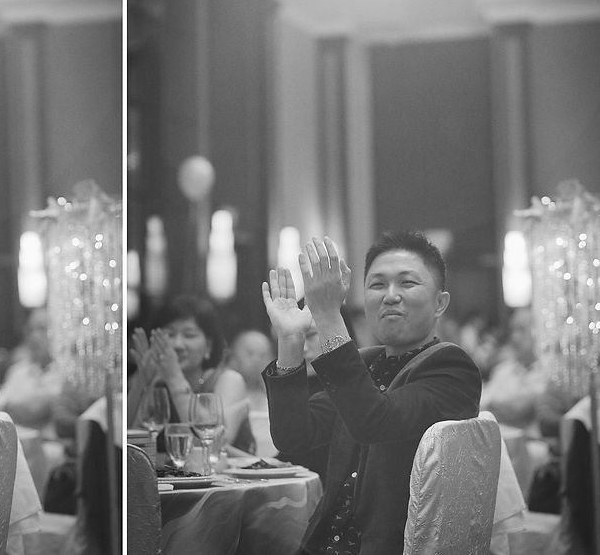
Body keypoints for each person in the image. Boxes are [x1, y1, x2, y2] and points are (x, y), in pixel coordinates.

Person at [262, 232, 481, 555]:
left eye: (407, 283)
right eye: (377, 285)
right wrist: (291, 341)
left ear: (440, 303)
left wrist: (328, 317)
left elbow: (373, 420)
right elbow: (294, 437)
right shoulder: (365, 364)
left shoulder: (452, 369)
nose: (390, 296)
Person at [128, 294, 253, 454]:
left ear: (209, 346)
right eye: (170, 334)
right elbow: (131, 443)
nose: (178, 344)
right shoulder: (158, 384)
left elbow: (214, 445)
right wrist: (142, 382)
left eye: (189, 335)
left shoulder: (229, 380)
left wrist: (175, 378)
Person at [0, 306, 63, 437]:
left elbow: (37, 408)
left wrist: (11, 407)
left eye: (42, 329)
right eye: (30, 330)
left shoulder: (66, 373)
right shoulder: (17, 371)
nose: (34, 336)